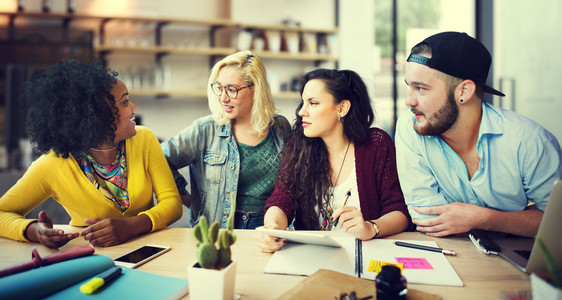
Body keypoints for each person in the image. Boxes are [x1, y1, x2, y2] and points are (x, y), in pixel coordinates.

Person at [0, 59, 182, 248]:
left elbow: (172, 203)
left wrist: (129, 227)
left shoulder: (144, 139)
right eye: (125, 102)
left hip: (149, 252)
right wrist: (34, 231)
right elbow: (2, 213)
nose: (134, 108)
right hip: (91, 257)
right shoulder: (53, 164)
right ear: (97, 117)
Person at [396, 31, 562, 238]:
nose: (409, 101)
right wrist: (517, 220)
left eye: (421, 88)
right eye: (409, 87)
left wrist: (483, 218)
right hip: (450, 253)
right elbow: (428, 220)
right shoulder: (410, 127)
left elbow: (556, 223)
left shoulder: (530, 142)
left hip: (518, 264)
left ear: (464, 92)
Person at [257, 69, 412, 252]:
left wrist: (371, 227)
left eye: (313, 103)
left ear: (342, 108)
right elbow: (282, 199)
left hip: (364, 254)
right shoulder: (298, 146)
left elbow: (400, 212)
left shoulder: (377, 144)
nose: (301, 112)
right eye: (303, 102)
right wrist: (273, 227)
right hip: (312, 255)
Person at [161, 51, 291, 229]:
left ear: (256, 89)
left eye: (232, 89)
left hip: (269, 227)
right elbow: (159, 158)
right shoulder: (204, 130)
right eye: (219, 87)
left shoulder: (280, 127)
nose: (222, 97)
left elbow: (290, 181)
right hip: (219, 229)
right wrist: (184, 196)